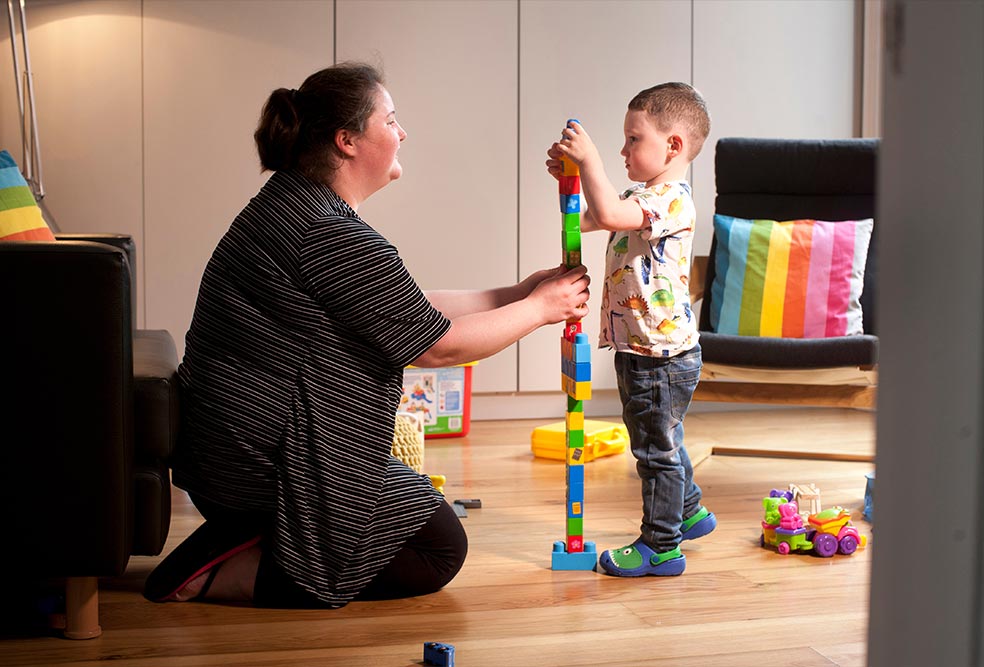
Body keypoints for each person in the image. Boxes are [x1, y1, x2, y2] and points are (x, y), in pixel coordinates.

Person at [144, 62, 591, 608]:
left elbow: (408, 308)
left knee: (417, 519)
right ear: (348, 140)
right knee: (439, 550)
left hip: (227, 454)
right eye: (391, 120)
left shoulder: (296, 204)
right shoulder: (328, 231)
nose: (402, 133)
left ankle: (253, 539)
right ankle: (221, 572)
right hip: (260, 466)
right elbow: (436, 345)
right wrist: (543, 309)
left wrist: (519, 293)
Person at [545, 82, 715, 577]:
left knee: (653, 450)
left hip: (658, 354)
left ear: (674, 146)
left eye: (633, 139)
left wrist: (592, 160)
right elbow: (601, 215)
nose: (622, 151)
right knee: (664, 437)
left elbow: (611, 214)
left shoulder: (673, 201)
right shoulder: (642, 195)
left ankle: (662, 546)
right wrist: (573, 175)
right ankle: (688, 510)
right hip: (645, 347)